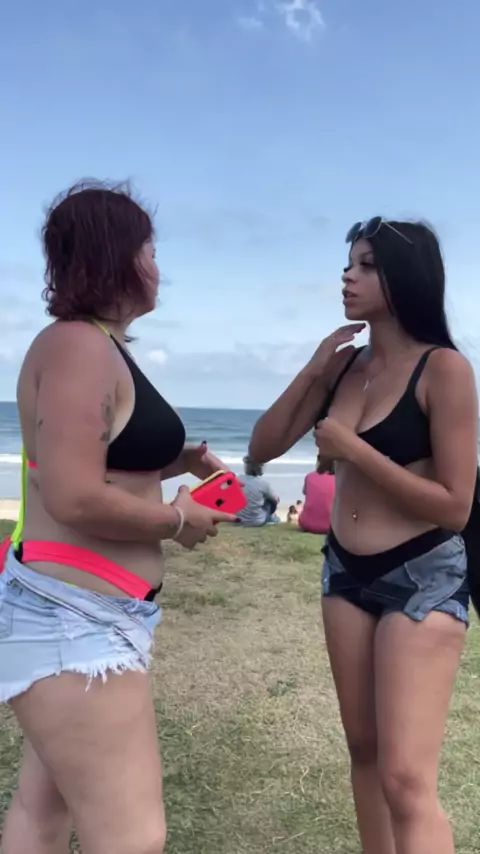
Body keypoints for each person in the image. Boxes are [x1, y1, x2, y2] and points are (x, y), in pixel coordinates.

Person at [0, 181, 236, 854]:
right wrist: (176, 520)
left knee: (43, 810)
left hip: (83, 615)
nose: (158, 265)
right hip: (72, 621)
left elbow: (92, 457)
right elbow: (73, 496)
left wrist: (172, 460)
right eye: (150, 249)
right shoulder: (78, 346)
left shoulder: (100, 344)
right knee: (133, 838)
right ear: (118, 257)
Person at [249, 217, 479, 854]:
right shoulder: (347, 368)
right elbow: (261, 448)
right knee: (365, 754)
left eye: (367, 265)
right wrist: (315, 370)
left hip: (422, 576)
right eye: (349, 263)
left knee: (406, 779)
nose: (348, 276)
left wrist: (353, 449)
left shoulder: (444, 370)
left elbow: (455, 506)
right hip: (344, 574)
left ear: (407, 277)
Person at [236, 456, 280, 527]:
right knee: (270, 499)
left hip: (238, 519)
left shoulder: (237, 479)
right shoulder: (263, 483)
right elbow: (276, 500)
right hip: (257, 521)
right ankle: (272, 517)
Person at [298, 456, 335, 535]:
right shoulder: (339, 479)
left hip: (307, 524)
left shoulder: (309, 476)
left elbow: (305, 492)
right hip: (332, 526)